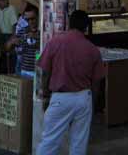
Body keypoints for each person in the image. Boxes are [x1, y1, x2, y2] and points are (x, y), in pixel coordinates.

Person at [36, 11, 106, 155]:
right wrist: (91, 103)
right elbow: (97, 81)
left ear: (69, 23)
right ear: (86, 27)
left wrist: (45, 95)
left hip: (60, 98)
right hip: (83, 97)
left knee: (49, 140)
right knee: (79, 143)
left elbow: (45, 72)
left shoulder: (55, 42)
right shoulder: (92, 49)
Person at [6, 5, 40, 79]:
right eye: (27, 19)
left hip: (38, 71)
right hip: (24, 71)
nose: (30, 22)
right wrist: (11, 43)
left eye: (32, 19)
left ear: (38, 17)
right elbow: (8, 48)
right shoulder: (23, 31)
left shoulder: (42, 32)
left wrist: (36, 38)